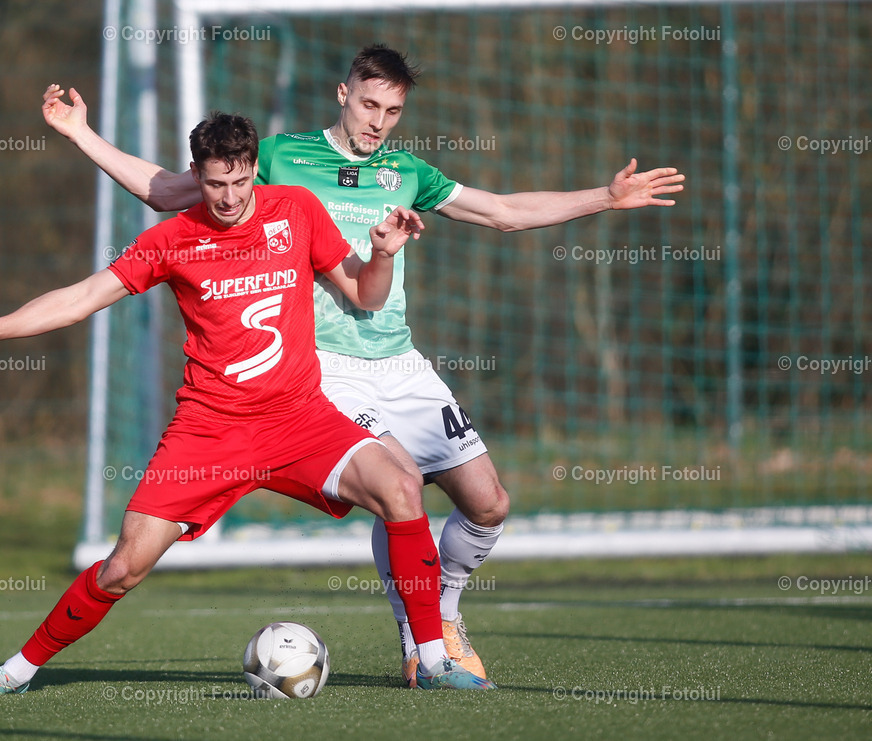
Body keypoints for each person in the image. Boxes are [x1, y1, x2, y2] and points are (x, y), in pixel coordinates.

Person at [41, 44, 685, 687]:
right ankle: (421, 639)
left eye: (392, 111)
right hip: (325, 369)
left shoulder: (405, 171)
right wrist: (81, 134)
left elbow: (502, 212)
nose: (378, 121)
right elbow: (164, 192)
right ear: (343, 94)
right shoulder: (280, 158)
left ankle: (443, 612)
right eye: (369, 104)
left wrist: (604, 197)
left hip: (400, 362)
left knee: (489, 504)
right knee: (396, 486)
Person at [0, 112, 496, 696]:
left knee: (401, 488)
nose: (228, 197)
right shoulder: (172, 239)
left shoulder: (297, 209)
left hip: (300, 418)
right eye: (214, 184)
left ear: (255, 169)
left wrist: (381, 255)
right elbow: (82, 297)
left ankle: (433, 661)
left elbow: (364, 295)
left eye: (240, 181)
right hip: (210, 432)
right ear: (196, 175)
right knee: (123, 567)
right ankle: (16, 670)